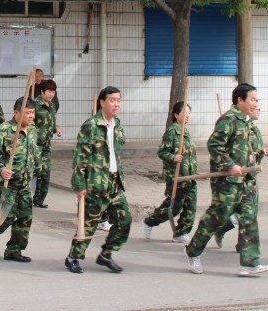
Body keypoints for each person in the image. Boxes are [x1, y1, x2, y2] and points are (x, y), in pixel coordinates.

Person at [185, 83, 268, 277]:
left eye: (256, 100)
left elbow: (246, 149)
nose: (255, 103)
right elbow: (214, 145)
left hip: (246, 181)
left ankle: (250, 263)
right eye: (252, 99)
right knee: (217, 217)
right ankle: (193, 251)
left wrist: (258, 154)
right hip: (227, 182)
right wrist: (230, 165)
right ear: (240, 100)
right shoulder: (228, 120)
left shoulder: (247, 122)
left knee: (249, 219)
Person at [64, 86, 132, 274]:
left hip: (114, 183)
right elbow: (80, 157)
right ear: (102, 102)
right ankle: (73, 257)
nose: (116, 104)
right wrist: (79, 185)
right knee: (88, 223)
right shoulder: (91, 126)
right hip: (95, 183)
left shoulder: (117, 125)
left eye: (119, 100)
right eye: (112, 100)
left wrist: (121, 176)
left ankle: (106, 254)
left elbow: (116, 155)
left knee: (125, 219)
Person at [0, 96, 39, 262]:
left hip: (24, 183)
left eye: (32, 112)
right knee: (5, 218)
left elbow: (34, 152)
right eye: (27, 113)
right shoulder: (4, 130)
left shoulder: (32, 130)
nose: (31, 116)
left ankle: (14, 250)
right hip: (6, 184)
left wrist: (37, 168)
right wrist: (1, 168)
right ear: (16, 113)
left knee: (25, 217)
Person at [212, 104, 268, 251]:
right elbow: (221, 148)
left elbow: (252, 151)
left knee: (249, 213)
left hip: (250, 177)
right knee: (238, 212)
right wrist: (230, 165)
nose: (259, 111)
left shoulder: (253, 128)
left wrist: (261, 152)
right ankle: (220, 230)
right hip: (236, 177)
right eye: (257, 108)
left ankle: (244, 246)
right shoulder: (234, 123)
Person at [142, 101, 196, 243]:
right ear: (176, 115)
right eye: (184, 113)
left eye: (189, 113)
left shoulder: (185, 132)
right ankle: (149, 222)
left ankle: (181, 233)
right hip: (177, 176)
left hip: (189, 176)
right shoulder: (172, 132)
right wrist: (173, 157)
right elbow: (162, 152)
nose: (188, 116)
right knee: (174, 207)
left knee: (191, 206)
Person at [33, 80, 62, 208]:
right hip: (35, 145)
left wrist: (57, 128)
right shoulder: (34, 105)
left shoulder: (52, 106)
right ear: (42, 92)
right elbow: (28, 123)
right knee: (34, 170)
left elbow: (52, 121)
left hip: (46, 145)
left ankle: (39, 200)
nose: (51, 94)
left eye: (53, 92)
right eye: (49, 92)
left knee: (45, 172)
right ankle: (24, 198)